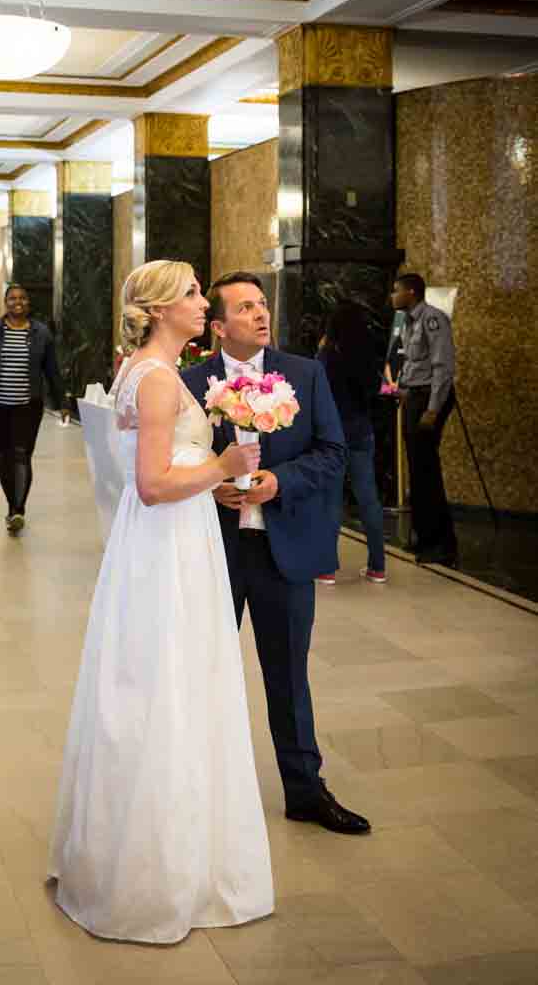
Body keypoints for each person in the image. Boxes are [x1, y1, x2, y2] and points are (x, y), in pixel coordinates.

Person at [49, 260, 273, 944]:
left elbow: (169, 474)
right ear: (158, 309)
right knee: (167, 686)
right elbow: (149, 482)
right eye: (192, 294)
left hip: (178, 537)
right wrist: (223, 469)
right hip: (166, 542)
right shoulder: (151, 379)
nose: (203, 303)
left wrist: (216, 486)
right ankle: (154, 873)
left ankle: (165, 849)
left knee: (166, 683)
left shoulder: (155, 371)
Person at [183, 271, 370, 835]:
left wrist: (279, 481)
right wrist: (207, 481)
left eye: (263, 304)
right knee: (201, 671)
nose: (261, 315)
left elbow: (333, 451)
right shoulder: (190, 384)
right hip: (212, 550)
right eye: (245, 308)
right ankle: (198, 791)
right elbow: (174, 462)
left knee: (288, 675)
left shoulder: (306, 375)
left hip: (282, 546)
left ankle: (306, 790)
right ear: (217, 326)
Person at [0, 283, 66, 535]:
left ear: (28, 303)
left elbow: (52, 369)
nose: (17, 302)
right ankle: (12, 504)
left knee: (21, 454)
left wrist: (62, 401)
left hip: (28, 405)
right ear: (5, 302)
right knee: (3, 454)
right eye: (12, 298)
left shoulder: (41, 333)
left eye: (22, 298)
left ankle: (18, 509)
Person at [391, 273, 458, 566]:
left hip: (430, 398)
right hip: (414, 396)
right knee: (418, 471)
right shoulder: (408, 321)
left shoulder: (433, 319)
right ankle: (424, 535)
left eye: (397, 291)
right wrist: (403, 389)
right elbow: (412, 362)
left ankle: (443, 543)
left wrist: (433, 408)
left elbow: (442, 366)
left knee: (427, 470)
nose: (393, 296)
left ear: (412, 292)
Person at [317, 302, 386, 584]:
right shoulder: (367, 354)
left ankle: (326, 569)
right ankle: (377, 567)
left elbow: (318, 393)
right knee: (368, 497)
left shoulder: (327, 354)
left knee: (331, 499)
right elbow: (373, 390)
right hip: (361, 430)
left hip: (333, 433)